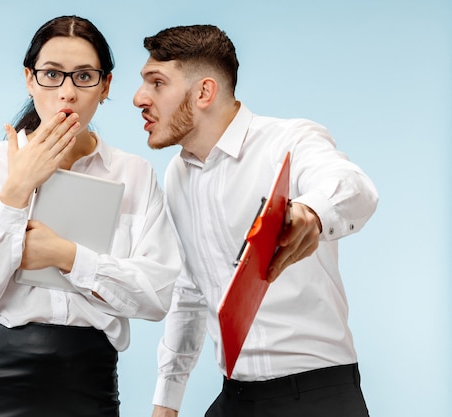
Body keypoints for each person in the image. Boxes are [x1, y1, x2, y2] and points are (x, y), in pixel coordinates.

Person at [0, 15, 181, 417]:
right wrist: (16, 191)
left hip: (89, 378)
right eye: (52, 74)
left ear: (105, 86)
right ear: (30, 79)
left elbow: (158, 295)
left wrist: (66, 256)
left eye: (84, 76)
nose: (67, 92)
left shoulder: (133, 174)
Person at [133, 24, 378, 417]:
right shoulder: (178, 176)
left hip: (319, 394)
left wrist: (311, 213)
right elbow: (192, 293)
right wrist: (167, 400)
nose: (139, 98)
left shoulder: (289, 140)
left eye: (157, 83)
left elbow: (354, 188)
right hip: (237, 397)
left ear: (204, 92)